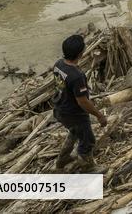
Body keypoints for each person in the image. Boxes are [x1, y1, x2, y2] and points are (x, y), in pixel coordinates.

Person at [53, 35, 107, 171]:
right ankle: (88, 168)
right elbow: (82, 101)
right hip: (74, 114)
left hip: (60, 109)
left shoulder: (59, 64)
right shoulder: (77, 76)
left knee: (74, 132)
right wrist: (99, 115)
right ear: (80, 53)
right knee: (88, 140)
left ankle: (62, 160)